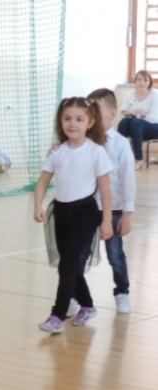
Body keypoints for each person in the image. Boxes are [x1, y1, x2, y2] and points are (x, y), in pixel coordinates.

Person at [34, 97, 114, 333]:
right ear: (61, 121)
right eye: (67, 118)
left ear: (90, 123)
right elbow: (43, 182)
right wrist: (38, 206)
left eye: (79, 119)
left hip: (85, 214)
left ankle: (57, 315)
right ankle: (87, 305)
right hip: (61, 212)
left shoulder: (96, 152)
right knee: (67, 264)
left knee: (68, 264)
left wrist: (107, 221)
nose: (72, 124)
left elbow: (106, 190)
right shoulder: (57, 152)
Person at [78, 89, 135, 313]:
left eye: (97, 110)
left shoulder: (120, 144)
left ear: (112, 113)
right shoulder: (83, 142)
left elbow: (128, 180)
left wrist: (127, 214)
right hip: (87, 208)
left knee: (115, 255)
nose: (92, 116)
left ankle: (122, 292)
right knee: (80, 254)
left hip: (114, 209)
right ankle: (73, 295)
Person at [117, 70, 158, 170]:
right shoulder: (130, 94)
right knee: (124, 122)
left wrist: (136, 114)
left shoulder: (155, 95)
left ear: (150, 82)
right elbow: (123, 113)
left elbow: (153, 118)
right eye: (139, 79)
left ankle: (138, 158)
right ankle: (121, 156)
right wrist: (136, 113)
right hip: (135, 127)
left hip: (154, 127)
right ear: (135, 81)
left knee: (135, 123)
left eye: (145, 80)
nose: (141, 83)